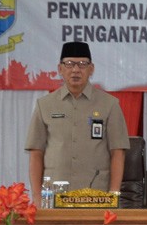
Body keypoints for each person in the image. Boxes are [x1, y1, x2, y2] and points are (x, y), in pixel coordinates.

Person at [25, 42, 130, 206]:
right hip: (55, 196)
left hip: (96, 196)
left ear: (91, 69)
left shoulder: (109, 105)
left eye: (82, 64)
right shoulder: (44, 105)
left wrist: (113, 196)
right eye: (69, 64)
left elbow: (118, 152)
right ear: (60, 69)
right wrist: (37, 197)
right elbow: (36, 154)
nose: (75, 70)